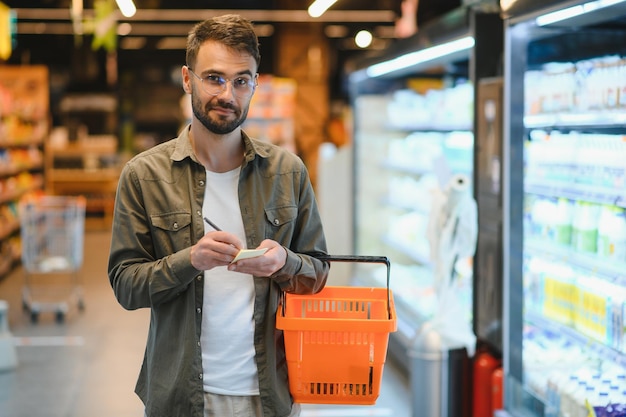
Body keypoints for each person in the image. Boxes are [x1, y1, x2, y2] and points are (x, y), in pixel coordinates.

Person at [107, 14, 330, 417]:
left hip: (270, 394)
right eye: (214, 78)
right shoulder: (144, 175)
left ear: (255, 85)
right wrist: (189, 261)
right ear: (188, 79)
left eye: (241, 80)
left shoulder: (287, 172)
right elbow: (125, 285)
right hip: (180, 394)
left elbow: (318, 272)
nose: (227, 93)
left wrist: (284, 262)